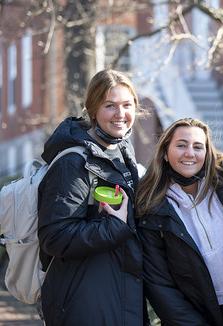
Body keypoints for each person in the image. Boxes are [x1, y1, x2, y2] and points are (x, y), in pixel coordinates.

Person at [37, 69, 144, 325]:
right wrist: (114, 227)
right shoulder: (73, 163)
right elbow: (55, 237)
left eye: (127, 105)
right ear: (92, 109)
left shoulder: (121, 152)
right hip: (83, 302)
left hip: (121, 293)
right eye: (110, 106)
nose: (120, 114)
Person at [136, 118, 223, 326]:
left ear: (207, 153)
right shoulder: (151, 207)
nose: (190, 153)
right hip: (197, 314)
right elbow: (159, 283)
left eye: (198, 147)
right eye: (181, 145)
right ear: (164, 152)